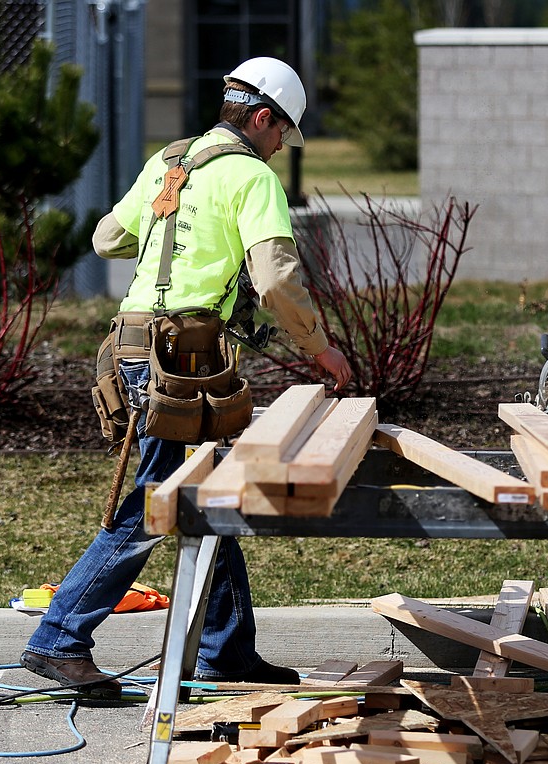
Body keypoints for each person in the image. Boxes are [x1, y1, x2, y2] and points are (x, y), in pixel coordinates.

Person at [21, 57, 350, 697]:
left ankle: (227, 652)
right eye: (283, 131)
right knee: (157, 501)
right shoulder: (251, 179)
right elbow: (277, 279)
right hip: (181, 355)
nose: (283, 145)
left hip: (138, 345)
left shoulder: (172, 162)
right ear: (261, 118)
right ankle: (59, 639)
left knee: (204, 492)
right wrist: (320, 348)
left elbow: (108, 238)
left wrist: (170, 229)